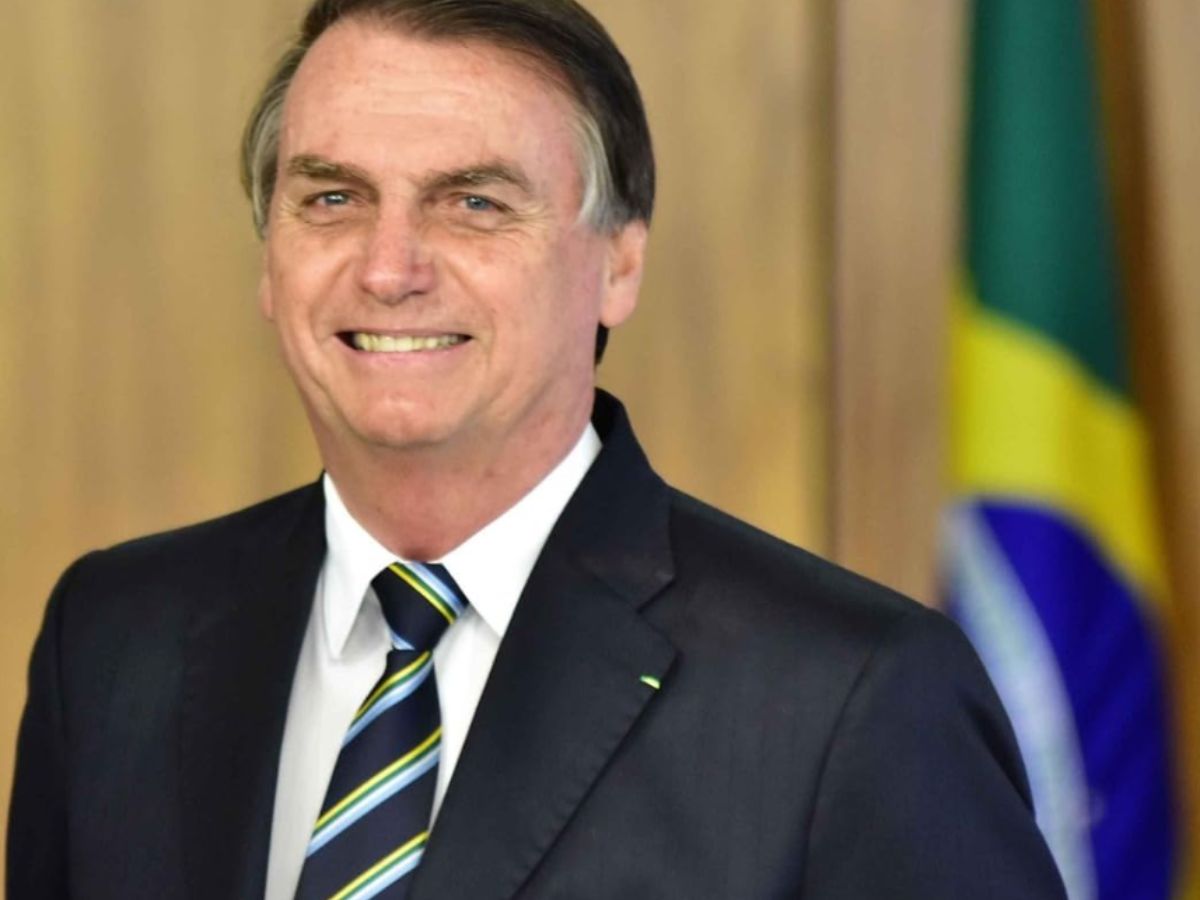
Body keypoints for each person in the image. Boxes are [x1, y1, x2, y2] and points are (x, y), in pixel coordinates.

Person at [7, 1, 1068, 897]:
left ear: (618, 265)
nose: (389, 268)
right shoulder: (113, 643)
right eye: (332, 199)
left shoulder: (854, 697)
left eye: (473, 203)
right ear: (269, 260)